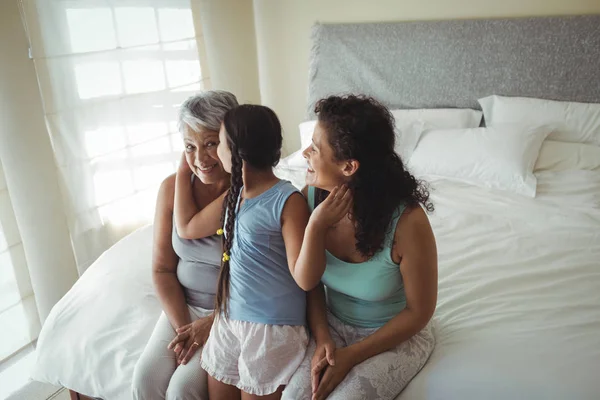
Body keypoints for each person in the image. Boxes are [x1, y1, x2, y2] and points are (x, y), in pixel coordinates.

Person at [283, 95, 438, 400]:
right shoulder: (309, 198)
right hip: (331, 325)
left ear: (349, 166)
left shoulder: (408, 222)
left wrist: (352, 355)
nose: (304, 153)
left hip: (394, 334)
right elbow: (310, 283)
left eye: (315, 147)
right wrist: (323, 334)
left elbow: (419, 312)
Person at [173, 104, 321, 399]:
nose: (214, 154)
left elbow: (304, 278)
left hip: (270, 328)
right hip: (230, 321)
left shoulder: (286, 200)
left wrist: (317, 224)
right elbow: (189, 228)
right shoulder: (235, 196)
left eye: (220, 143)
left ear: (236, 151)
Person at [131, 90, 238, 400]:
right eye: (189, 147)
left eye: (210, 144)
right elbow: (162, 269)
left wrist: (210, 324)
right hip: (184, 309)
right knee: (145, 380)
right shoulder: (171, 188)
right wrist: (183, 329)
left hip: (229, 313)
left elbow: (258, 283)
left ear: (231, 141)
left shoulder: (247, 192)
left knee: (182, 390)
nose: (200, 159)